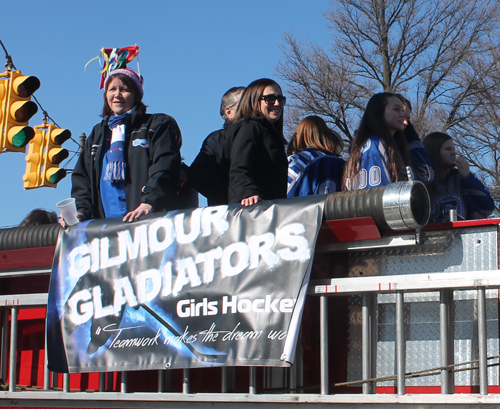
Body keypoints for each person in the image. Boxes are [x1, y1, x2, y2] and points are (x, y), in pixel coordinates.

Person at [71, 47, 181, 223]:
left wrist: (148, 203)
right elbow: (82, 178)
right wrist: (82, 211)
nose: (117, 95)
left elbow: (165, 166)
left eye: (124, 89)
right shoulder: (98, 133)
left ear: (136, 95)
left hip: (146, 223)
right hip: (105, 227)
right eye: (111, 89)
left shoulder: (156, 125)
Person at [343, 92, 433, 190]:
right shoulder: (374, 144)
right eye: (396, 109)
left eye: (403, 110)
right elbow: (378, 194)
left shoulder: (395, 148)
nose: (403, 115)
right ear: (379, 112)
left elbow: (425, 175)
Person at [227, 78, 288, 206]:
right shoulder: (249, 127)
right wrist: (247, 192)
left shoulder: (272, 135)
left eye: (280, 99)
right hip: (253, 209)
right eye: (270, 99)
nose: (277, 103)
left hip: (272, 209)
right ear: (254, 100)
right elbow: (239, 166)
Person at [189, 86, 245, 206]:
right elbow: (198, 175)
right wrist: (233, 197)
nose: (251, 109)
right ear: (229, 112)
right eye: (245, 105)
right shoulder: (218, 140)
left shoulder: (267, 139)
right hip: (229, 215)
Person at [423, 132, 494, 222]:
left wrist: (468, 177)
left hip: (462, 234)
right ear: (434, 152)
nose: (453, 153)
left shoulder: (460, 179)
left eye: (453, 149)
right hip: (432, 234)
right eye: (448, 149)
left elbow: (487, 208)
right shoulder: (423, 182)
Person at [287, 115, 345, 197]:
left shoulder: (298, 160)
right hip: (335, 209)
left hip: (303, 208)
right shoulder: (342, 163)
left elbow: (280, 193)